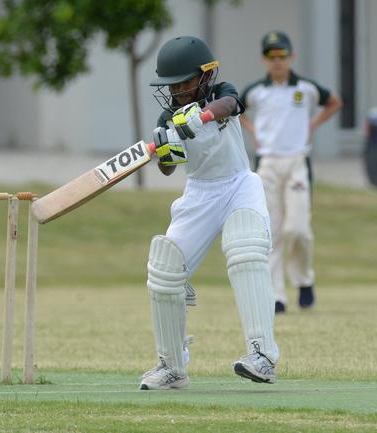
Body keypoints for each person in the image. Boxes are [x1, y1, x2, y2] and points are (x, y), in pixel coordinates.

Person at [139, 35, 280, 390]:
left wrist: (198, 117)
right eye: (172, 85)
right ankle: (171, 366)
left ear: (205, 76)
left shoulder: (220, 94)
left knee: (246, 248)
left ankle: (262, 356)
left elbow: (232, 105)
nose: (177, 90)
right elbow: (168, 170)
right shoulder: (166, 115)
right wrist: (166, 150)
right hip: (199, 195)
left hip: (238, 184)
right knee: (165, 267)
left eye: (184, 82)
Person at [240, 31, 342, 313]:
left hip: (297, 162)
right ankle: (276, 296)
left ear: (291, 56)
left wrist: (312, 125)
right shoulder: (255, 91)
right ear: (264, 59)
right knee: (272, 233)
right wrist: (253, 131)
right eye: (271, 56)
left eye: (281, 55)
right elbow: (235, 110)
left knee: (297, 229)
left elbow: (334, 102)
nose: (277, 61)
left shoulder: (306, 88)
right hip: (268, 164)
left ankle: (304, 279)